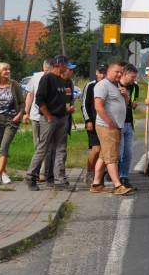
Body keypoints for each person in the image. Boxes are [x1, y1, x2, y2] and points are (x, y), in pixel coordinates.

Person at [25, 55, 75, 191]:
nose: (67, 67)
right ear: (60, 64)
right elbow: (39, 99)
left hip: (62, 118)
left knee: (60, 149)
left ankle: (59, 180)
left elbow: (65, 98)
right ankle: (30, 176)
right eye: (66, 65)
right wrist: (47, 115)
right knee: (43, 148)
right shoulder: (46, 78)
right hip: (49, 118)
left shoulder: (62, 81)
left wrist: (67, 110)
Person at [91, 61, 135, 195]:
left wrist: (126, 95)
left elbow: (125, 105)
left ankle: (96, 184)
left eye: (121, 72)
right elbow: (98, 106)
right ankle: (118, 186)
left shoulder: (116, 85)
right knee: (112, 157)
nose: (119, 74)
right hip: (107, 126)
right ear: (109, 71)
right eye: (117, 72)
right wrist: (110, 123)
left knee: (104, 156)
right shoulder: (102, 85)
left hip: (116, 126)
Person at [23, 58, 54, 182]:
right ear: (43, 68)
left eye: (49, 70)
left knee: (46, 145)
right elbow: (30, 95)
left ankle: (42, 172)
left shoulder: (55, 79)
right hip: (36, 116)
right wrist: (26, 111)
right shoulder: (36, 78)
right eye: (46, 70)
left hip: (48, 117)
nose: (47, 73)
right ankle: (36, 170)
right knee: (37, 145)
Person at [117, 64, 141, 190]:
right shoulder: (115, 85)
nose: (134, 79)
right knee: (119, 154)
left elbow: (132, 103)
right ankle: (115, 176)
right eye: (132, 76)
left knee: (128, 153)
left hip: (129, 123)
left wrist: (134, 104)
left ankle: (124, 177)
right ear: (125, 74)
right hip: (118, 124)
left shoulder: (134, 87)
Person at [82, 64, 107, 177]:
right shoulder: (90, 86)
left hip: (106, 123)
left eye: (104, 73)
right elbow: (84, 104)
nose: (102, 75)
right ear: (96, 73)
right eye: (100, 72)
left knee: (104, 151)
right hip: (93, 121)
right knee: (96, 149)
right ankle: (88, 173)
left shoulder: (110, 86)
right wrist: (88, 120)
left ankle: (99, 174)